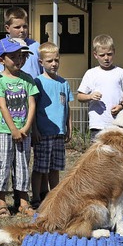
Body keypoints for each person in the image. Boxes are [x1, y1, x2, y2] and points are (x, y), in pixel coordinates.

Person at [0, 37, 39, 218]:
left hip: (24, 132)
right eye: (13, 56)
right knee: (2, 164)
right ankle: (1, 202)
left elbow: (32, 104)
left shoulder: (28, 80)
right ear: (1, 59)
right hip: (5, 131)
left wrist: (25, 128)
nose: (18, 60)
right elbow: (2, 106)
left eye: (20, 56)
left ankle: (23, 202)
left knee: (23, 165)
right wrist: (13, 129)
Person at [30, 41, 73, 206]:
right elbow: (32, 107)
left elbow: (67, 107)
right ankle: (35, 198)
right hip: (43, 132)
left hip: (59, 133)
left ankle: (54, 198)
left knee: (55, 167)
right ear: (41, 62)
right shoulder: (37, 82)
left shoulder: (64, 83)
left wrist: (69, 127)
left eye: (56, 60)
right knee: (40, 167)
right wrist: (34, 129)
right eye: (49, 61)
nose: (54, 64)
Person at [77, 34, 123, 141]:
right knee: (99, 155)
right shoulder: (91, 73)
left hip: (118, 123)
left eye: (109, 54)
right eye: (102, 55)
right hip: (98, 124)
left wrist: (121, 106)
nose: (106, 58)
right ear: (95, 55)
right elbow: (80, 96)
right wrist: (90, 96)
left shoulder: (122, 73)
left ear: (114, 52)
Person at [0, 7, 43, 82]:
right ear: (7, 28)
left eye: (25, 26)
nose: (22, 30)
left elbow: (45, 73)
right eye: (17, 27)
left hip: (33, 91)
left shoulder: (36, 46)